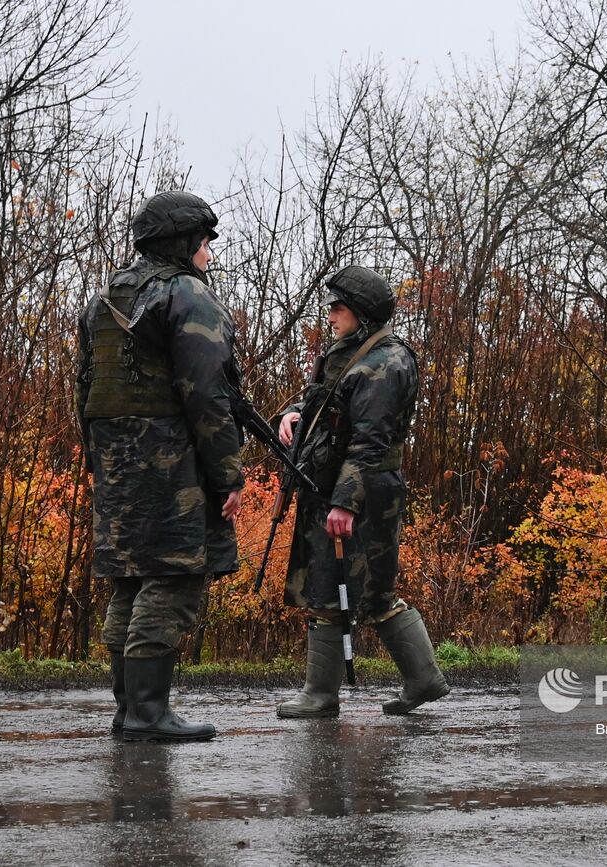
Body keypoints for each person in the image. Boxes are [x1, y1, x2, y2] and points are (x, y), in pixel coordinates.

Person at [75, 190, 244, 741]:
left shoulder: (103, 300)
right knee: (172, 578)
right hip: (171, 464)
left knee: (130, 581)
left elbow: (85, 390)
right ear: (184, 242)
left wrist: (102, 463)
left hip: (117, 464)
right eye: (205, 243)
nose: (210, 256)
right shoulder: (187, 295)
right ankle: (149, 714)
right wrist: (227, 475)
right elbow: (208, 396)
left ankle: (130, 711)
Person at [273, 265, 449, 718]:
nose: (330, 314)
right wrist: (292, 413)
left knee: (372, 590)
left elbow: (371, 443)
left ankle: (421, 680)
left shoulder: (385, 364)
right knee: (326, 586)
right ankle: (323, 693)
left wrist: (344, 503)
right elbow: (324, 402)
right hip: (329, 485)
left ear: (362, 313)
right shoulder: (348, 354)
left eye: (339, 307)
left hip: (363, 493)